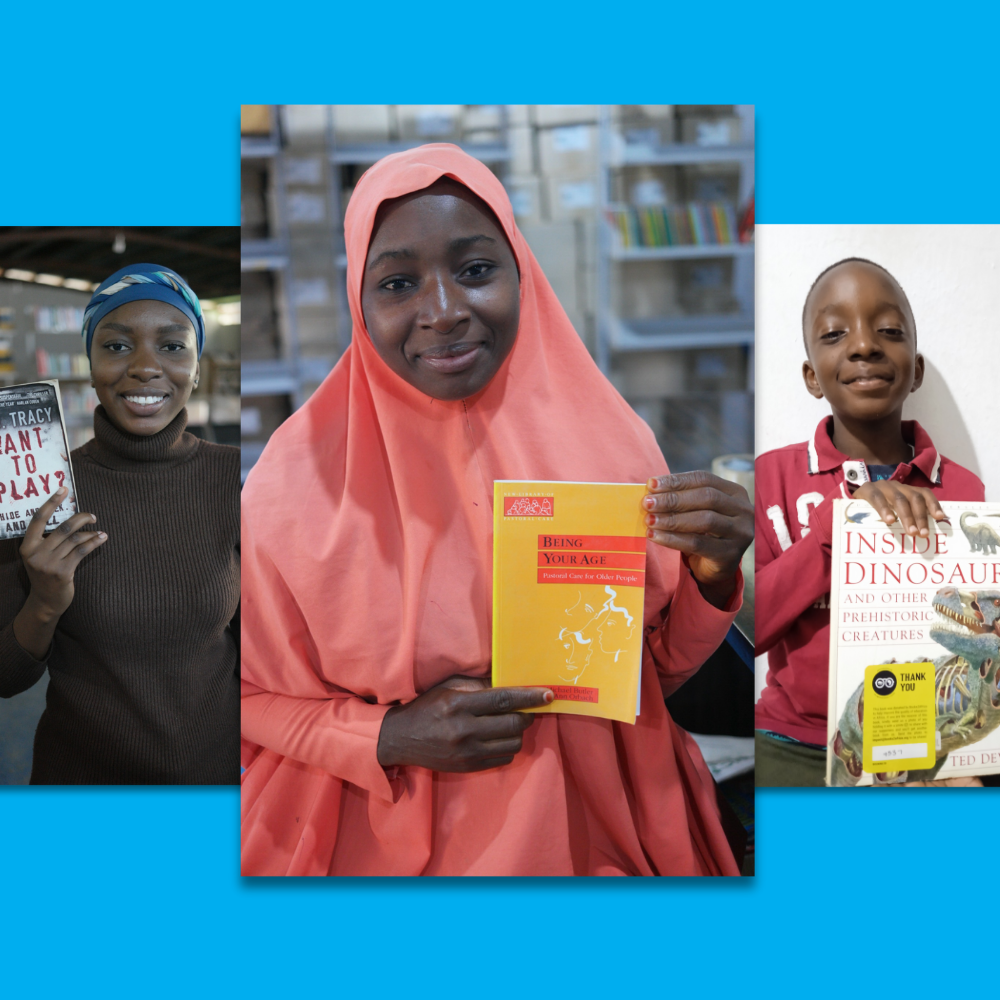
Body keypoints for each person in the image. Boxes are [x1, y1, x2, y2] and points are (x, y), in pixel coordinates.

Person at [240, 145, 753, 876]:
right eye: (397, 283)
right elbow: (243, 696)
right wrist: (383, 736)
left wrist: (711, 575)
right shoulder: (291, 493)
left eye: (476, 270)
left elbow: (647, 671)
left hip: (603, 820)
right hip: (379, 834)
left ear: (524, 275)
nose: (444, 312)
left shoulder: (612, 446)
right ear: (359, 300)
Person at [0, 264, 240, 784]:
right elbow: (5, 677)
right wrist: (43, 601)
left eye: (173, 346)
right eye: (117, 346)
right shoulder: (43, 494)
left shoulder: (235, 480)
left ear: (199, 365)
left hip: (217, 783)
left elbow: (269, 660)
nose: (146, 368)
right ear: (90, 364)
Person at [754, 257, 987, 786]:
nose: (864, 345)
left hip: (926, 737)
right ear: (812, 376)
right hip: (798, 743)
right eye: (835, 334)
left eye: (888, 330)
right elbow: (750, 629)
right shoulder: (772, 479)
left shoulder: (963, 492)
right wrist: (828, 539)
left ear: (916, 369)